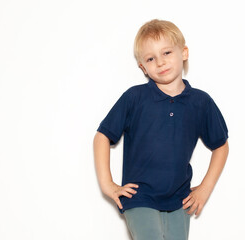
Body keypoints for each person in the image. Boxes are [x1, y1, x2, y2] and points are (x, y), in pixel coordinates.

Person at [93, 19, 229, 240]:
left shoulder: (200, 102)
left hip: (180, 198)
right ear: (142, 67)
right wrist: (107, 184)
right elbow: (102, 136)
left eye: (166, 53)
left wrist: (206, 187)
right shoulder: (134, 98)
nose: (160, 62)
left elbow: (221, 146)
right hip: (140, 196)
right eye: (150, 58)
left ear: (183, 53)